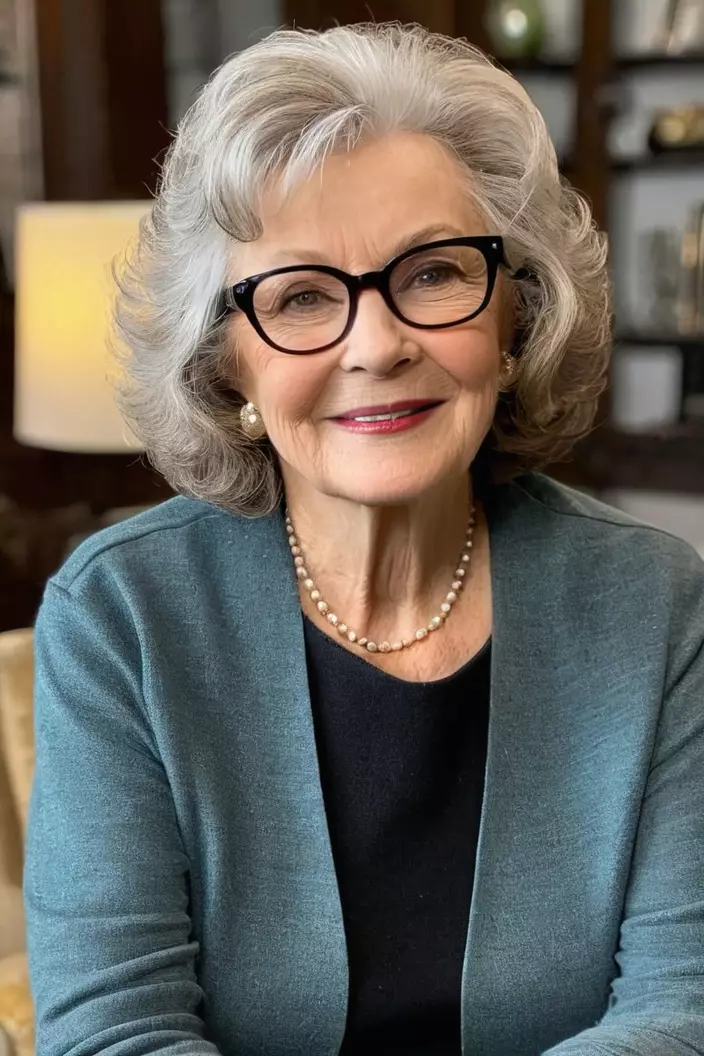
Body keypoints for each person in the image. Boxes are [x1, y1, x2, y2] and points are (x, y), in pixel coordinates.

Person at [23, 20, 704, 1056]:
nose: (377, 344)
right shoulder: (122, 615)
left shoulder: (652, 602)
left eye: (432, 273)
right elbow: (114, 1033)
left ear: (515, 320)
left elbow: (680, 1006)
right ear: (226, 364)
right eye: (300, 296)